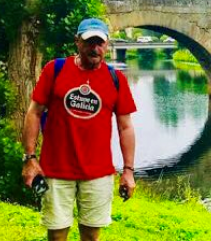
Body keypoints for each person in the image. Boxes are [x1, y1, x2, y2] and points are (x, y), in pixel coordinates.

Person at [21, 18, 137, 241]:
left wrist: (129, 171)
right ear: (77, 42)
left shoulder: (116, 79)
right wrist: (29, 158)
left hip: (98, 173)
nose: (95, 48)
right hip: (55, 171)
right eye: (89, 42)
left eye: (100, 43)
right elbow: (34, 113)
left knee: (92, 236)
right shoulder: (55, 70)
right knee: (56, 236)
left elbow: (126, 127)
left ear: (107, 44)